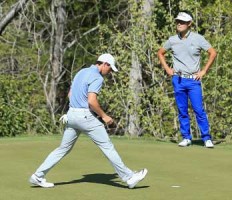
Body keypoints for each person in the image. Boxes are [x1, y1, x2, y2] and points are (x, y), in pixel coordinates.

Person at [29, 53, 147, 189]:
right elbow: (91, 101)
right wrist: (104, 116)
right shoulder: (97, 77)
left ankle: (38, 176)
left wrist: (72, 112)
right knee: (107, 146)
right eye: (110, 69)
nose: (109, 73)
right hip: (85, 117)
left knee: (63, 149)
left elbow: (70, 94)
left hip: (72, 115)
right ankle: (129, 177)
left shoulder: (81, 72)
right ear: (104, 64)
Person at [157, 11, 217, 148]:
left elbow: (213, 53)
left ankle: (206, 138)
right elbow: (160, 53)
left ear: (189, 24)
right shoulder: (172, 40)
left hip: (193, 80)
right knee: (182, 110)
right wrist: (167, 68)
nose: (179, 24)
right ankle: (186, 137)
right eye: (178, 21)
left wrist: (204, 71)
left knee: (198, 110)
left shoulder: (198, 38)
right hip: (178, 80)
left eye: (183, 22)